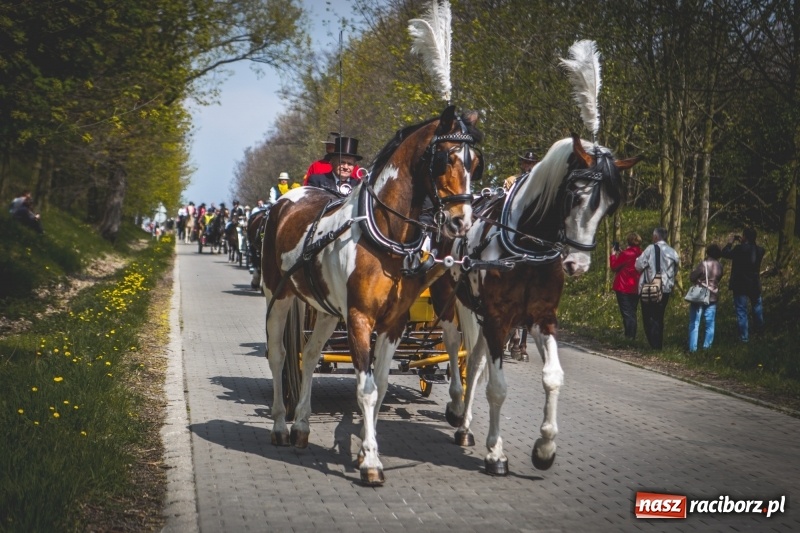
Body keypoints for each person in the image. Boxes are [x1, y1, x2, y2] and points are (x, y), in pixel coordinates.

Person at [501, 149, 539, 359]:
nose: (528, 166)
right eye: (526, 163)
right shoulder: (511, 181)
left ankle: (522, 341)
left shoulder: (540, 184)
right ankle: (515, 338)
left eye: (531, 163)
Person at [635, 227, 680, 349]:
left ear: (655, 237)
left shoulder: (650, 249)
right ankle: (658, 344)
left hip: (650, 288)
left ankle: (653, 345)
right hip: (665, 289)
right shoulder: (673, 252)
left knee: (648, 316)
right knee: (659, 316)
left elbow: (638, 266)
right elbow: (675, 270)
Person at [721, 227, 765, 342]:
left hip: (740, 284)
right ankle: (759, 332)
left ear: (745, 236)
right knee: (757, 307)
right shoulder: (760, 250)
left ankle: (744, 338)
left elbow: (725, 253)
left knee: (741, 311)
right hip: (755, 284)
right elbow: (753, 250)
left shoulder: (739, 249)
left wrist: (730, 242)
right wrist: (746, 242)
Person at [687, 244, 724, 352]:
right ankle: (707, 349)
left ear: (708, 253)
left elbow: (692, 277)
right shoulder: (720, 266)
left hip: (700, 296)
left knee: (695, 323)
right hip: (713, 296)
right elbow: (719, 278)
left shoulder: (704, 264)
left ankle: (692, 349)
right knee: (710, 323)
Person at [610, 232, 643, 339]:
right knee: (632, 311)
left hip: (623, 286)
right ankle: (631, 335)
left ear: (628, 241)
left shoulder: (626, 254)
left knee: (626, 313)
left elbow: (614, 267)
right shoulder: (641, 254)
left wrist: (613, 255)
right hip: (636, 286)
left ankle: (629, 336)